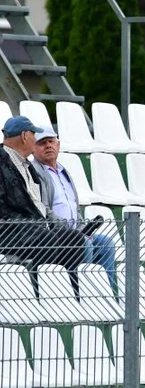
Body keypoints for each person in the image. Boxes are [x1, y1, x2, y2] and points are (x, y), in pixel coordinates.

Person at [30, 127, 117, 287]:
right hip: (54, 235)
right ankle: (83, 292)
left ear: (58, 145)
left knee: (106, 243)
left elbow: (76, 209)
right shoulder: (34, 171)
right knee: (85, 243)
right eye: (42, 143)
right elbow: (42, 208)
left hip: (76, 232)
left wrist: (85, 229)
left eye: (51, 141)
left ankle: (108, 294)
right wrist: (75, 232)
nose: (48, 145)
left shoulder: (64, 171)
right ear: (33, 149)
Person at [0, 117, 85, 274]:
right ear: (25, 136)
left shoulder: (26, 165)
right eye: (34, 135)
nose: (35, 139)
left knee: (73, 238)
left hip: (32, 228)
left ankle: (69, 292)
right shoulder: (2, 162)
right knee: (47, 240)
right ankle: (42, 293)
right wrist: (32, 223)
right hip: (9, 230)